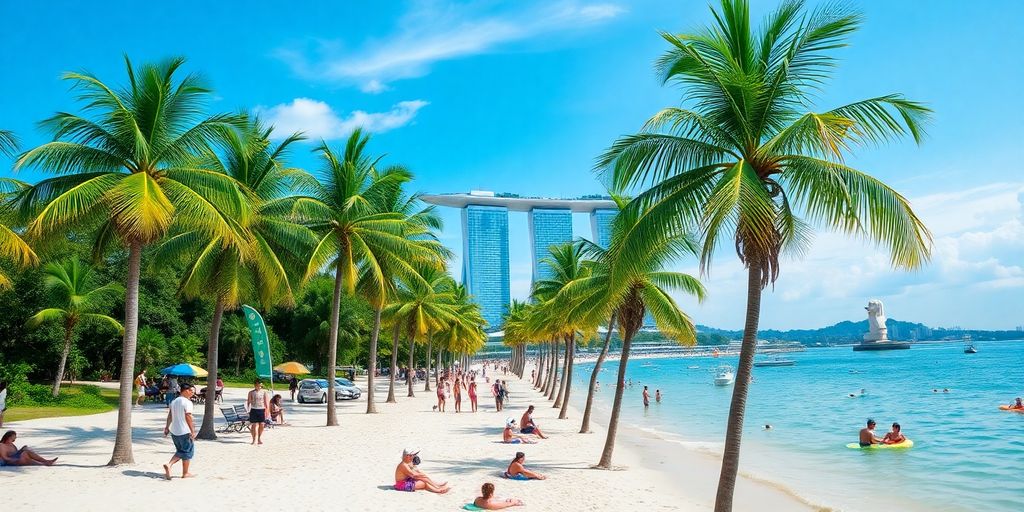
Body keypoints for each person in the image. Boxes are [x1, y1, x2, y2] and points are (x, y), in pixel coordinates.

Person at [162, 383, 196, 479]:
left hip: (174, 431)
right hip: (184, 431)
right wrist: (192, 431)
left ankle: (185, 473)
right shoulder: (187, 402)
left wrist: (167, 427)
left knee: (182, 451)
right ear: (186, 391)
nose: (193, 393)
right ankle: (170, 464)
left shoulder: (174, 401)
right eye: (191, 391)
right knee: (186, 451)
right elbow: (188, 416)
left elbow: (170, 415)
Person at [246, 379, 271, 445]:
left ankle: (259, 438)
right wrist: (248, 410)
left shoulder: (264, 392)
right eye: (256, 384)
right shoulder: (251, 392)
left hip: (261, 409)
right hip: (254, 409)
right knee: (254, 425)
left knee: (262, 425)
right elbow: (248, 402)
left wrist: (267, 411)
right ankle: (254, 439)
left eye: (259, 384)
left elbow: (266, 403)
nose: (258, 385)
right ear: (255, 385)